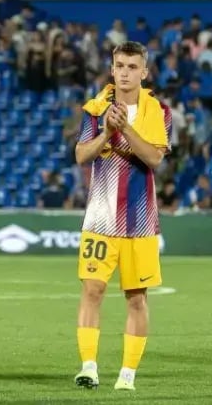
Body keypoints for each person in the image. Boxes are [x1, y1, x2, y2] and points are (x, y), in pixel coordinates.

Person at [73, 40, 171, 391]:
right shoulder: (95, 108)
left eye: (132, 67)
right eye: (120, 66)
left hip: (139, 223)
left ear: (144, 72)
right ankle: (88, 367)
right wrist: (106, 134)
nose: (125, 73)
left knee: (136, 298)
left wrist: (125, 129)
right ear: (112, 69)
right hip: (100, 219)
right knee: (92, 290)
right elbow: (81, 156)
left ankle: (127, 375)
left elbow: (155, 158)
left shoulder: (158, 111)